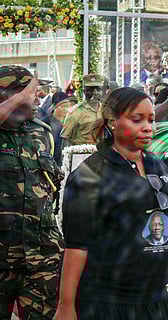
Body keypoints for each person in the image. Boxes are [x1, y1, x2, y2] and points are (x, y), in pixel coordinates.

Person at [55, 87, 168, 319]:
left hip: (155, 302)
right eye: (137, 120)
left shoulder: (157, 165)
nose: (148, 127)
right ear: (112, 122)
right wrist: (66, 306)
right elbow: (77, 247)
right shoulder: (90, 176)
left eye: (151, 119)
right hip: (106, 304)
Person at [0, 65, 64, 319]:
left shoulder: (42, 131)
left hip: (41, 257)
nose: (39, 96)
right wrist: (18, 98)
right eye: (32, 91)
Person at [61, 74, 104, 146]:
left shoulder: (106, 110)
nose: (95, 93)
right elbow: (66, 139)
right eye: (91, 90)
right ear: (85, 92)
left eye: (98, 89)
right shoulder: (75, 112)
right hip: (82, 154)